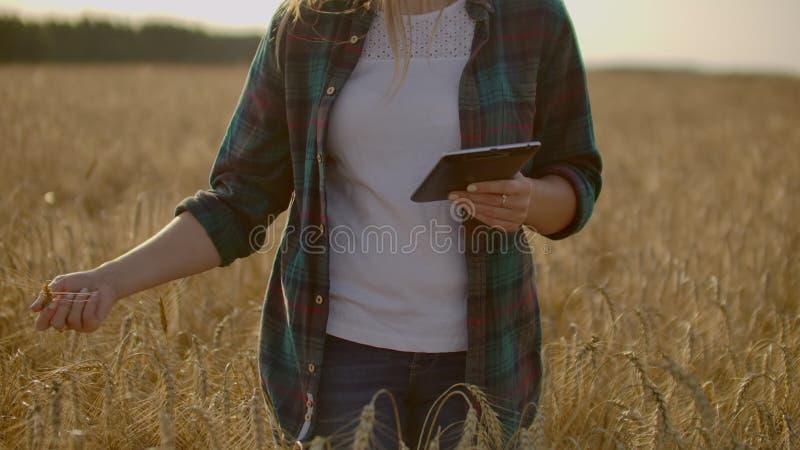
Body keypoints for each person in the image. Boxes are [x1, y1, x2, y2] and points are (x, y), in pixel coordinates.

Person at [29, 0, 602, 447]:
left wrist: (529, 200)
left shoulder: (532, 17)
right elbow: (238, 200)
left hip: (485, 358)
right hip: (341, 355)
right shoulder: (308, 23)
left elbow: (576, 175)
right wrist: (109, 280)